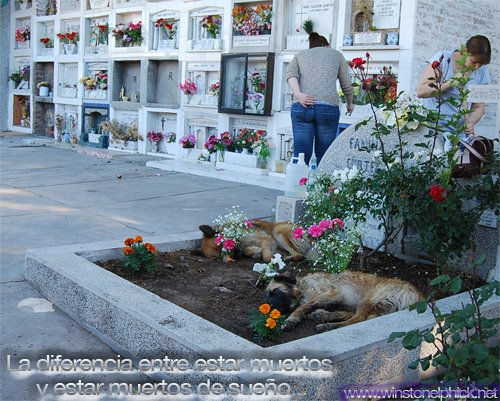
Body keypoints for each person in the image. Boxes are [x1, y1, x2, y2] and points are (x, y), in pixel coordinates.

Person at [286, 32, 354, 165]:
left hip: (302, 106)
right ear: (327, 45)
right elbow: (346, 84)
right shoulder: (336, 55)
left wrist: (299, 94)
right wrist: (350, 103)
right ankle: (321, 185)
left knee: (300, 152)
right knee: (324, 154)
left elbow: (290, 75)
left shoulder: (299, 56)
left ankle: (297, 185)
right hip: (328, 108)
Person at [416, 35, 491, 153]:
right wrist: (451, 82)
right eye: (474, 62)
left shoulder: (483, 71)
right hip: (433, 127)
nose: (477, 67)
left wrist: (471, 122)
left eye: (481, 64)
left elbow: (478, 106)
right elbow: (421, 91)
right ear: (465, 51)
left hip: (458, 132)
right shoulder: (443, 59)